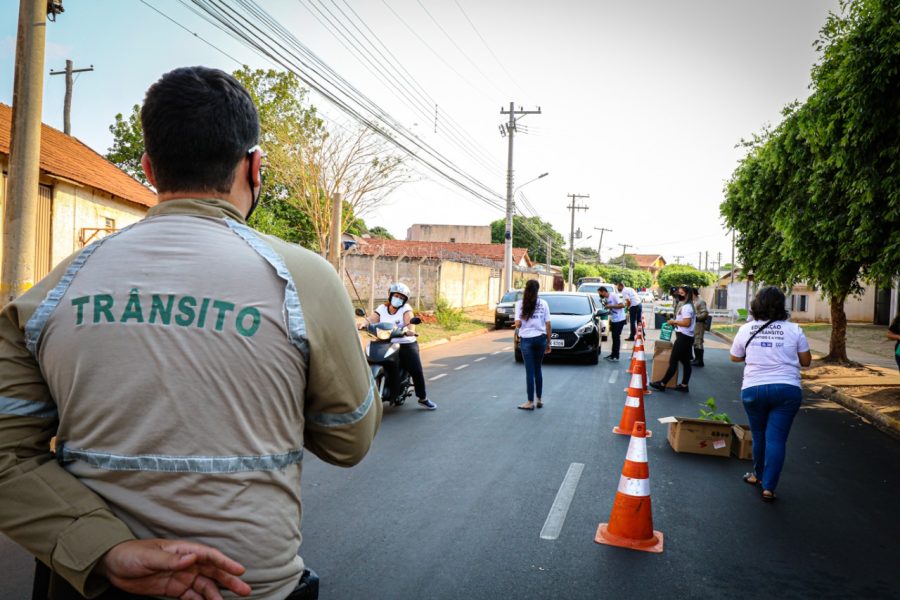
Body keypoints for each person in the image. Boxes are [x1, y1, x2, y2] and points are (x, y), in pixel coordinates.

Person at [0, 67, 381, 600]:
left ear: (149, 168)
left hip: (92, 584)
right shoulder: (304, 280)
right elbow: (348, 442)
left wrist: (105, 550)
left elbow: (7, 456)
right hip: (248, 587)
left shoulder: (51, 292)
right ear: (254, 166)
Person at [729, 286, 812, 502]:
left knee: (758, 435)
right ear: (782, 305)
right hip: (787, 390)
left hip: (753, 389)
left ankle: (758, 475)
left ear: (756, 304)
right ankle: (769, 487)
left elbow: (735, 357)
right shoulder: (794, 329)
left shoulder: (746, 329)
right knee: (776, 439)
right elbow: (806, 361)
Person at [363, 282, 436, 410]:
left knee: (416, 370)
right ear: (390, 295)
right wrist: (363, 324)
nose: (398, 299)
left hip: (405, 343)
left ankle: (422, 398)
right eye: (396, 296)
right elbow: (371, 319)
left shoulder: (405, 308)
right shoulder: (382, 308)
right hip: (386, 341)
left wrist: (410, 330)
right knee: (367, 361)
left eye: (402, 298)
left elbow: (409, 321)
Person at [650, 286, 695, 392]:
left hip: (684, 337)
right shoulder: (688, 306)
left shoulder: (687, 307)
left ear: (687, 295)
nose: (679, 295)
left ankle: (662, 383)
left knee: (673, 361)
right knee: (685, 362)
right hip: (687, 337)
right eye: (679, 293)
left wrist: (673, 322)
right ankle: (684, 385)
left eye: (682, 293)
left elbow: (687, 323)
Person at [515, 279, 551, 410]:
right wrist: (548, 342)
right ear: (537, 289)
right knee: (538, 369)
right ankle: (539, 399)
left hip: (526, 340)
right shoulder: (544, 303)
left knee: (529, 371)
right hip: (541, 339)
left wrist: (520, 323)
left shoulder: (520, 304)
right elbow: (548, 324)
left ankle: (530, 402)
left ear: (526, 288)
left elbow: (518, 324)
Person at [600, 284, 627, 362]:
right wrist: (608, 308)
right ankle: (613, 354)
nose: (600, 295)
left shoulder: (614, 295)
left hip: (619, 319)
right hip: (614, 320)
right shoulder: (607, 298)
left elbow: (622, 305)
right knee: (614, 337)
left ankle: (616, 356)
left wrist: (610, 306)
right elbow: (612, 309)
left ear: (604, 292)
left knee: (616, 337)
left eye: (600, 293)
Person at [691, 287, 710, 367]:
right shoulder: (694, 301)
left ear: (693, 293)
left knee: (698, 341)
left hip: (699, 324)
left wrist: (695, 318)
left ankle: (699, 361)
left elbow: (705, 313)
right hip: (695, 324)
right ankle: (696, 359)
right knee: (695, 341)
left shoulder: (700, 301)